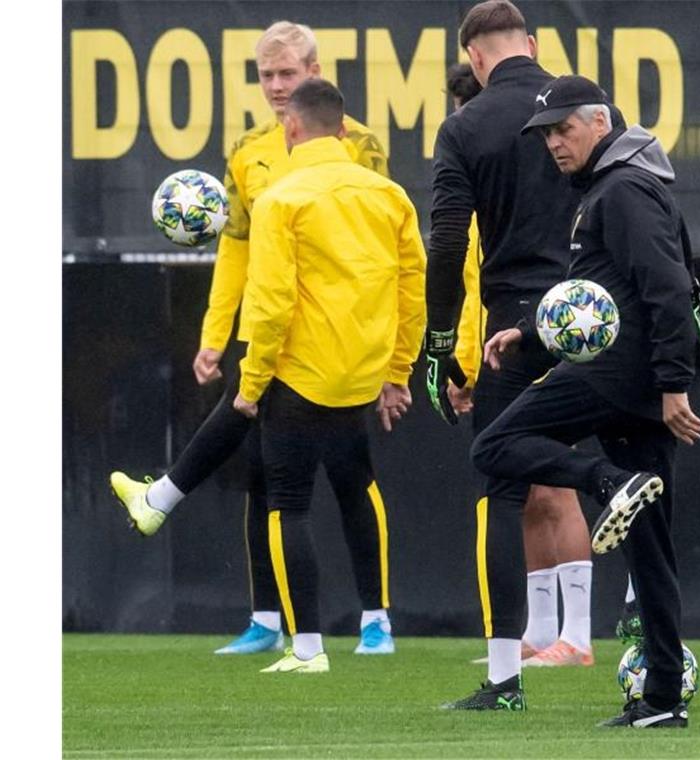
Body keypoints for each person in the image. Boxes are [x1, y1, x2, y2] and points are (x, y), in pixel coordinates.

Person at [109, 21, 399, 656]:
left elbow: (377, 250)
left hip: (335, 331)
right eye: (266, 75)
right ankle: (268, 620)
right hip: (274, 326)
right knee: (264, 472)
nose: (274, 86)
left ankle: (374, 618)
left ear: (315, 73)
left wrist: (390, 362)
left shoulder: (361, 146)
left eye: (287, 74)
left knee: (349, 473)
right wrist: (216, 334)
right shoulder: (247, 149)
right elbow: (236, 250)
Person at [473, 74, 700, 728]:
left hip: (617, 376)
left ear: (598, 121)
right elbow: (599, 304)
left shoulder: (623, 190)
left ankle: (609, 480)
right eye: (544, 134)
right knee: (651, 547)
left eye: (562, 128)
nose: (552, 143)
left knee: (495, 447)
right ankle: (662, 698)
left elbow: (666, 289)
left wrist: (673, 382)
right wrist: (535, 341)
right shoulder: (618, 186)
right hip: (633, 375)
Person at [424, 2, 607, 707]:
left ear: (472, 57)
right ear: (530, 44)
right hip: (594, 313)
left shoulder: (466, 126)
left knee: (504, 481)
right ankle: (578, 637)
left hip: (512, 323)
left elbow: (447, 243)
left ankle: (509, 675)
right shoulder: (586, 108)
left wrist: (441, 348)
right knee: (557, 478)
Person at [231, 78, 425, 673]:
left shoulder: (281, 199)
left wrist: (253, 378)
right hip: (361, 376)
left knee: (286, 503)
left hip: (300, 372)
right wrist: (398, 372)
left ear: (290, 129)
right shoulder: (389, 196)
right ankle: (377, 622)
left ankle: (306, 645)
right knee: (357, 484)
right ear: (344, 130)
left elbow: (270, 301)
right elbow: (412, 288)